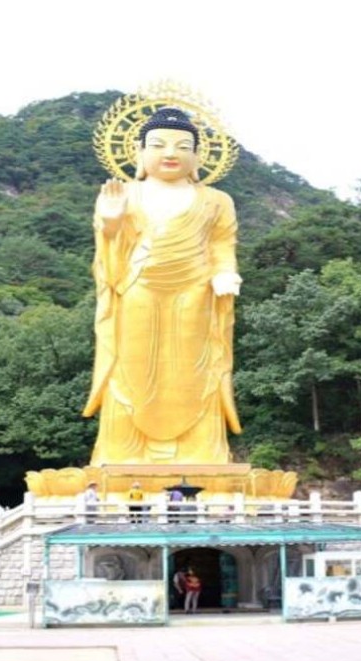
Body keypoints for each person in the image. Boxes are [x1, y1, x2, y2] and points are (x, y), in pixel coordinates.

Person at [83, 107, 243, 466]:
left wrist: (225, 274)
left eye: (183, 146)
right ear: (138, 153)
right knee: (131, 369)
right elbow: (109, 250)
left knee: (196, 367)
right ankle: (121, 455)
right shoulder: (123, 194)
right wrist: (110, 224)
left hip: (197, 290)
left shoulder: (218, 201)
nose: (170, 153)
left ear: (198, 157)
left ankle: (201, 455)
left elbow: (222, 246)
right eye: (158, 144)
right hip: (138, 286)